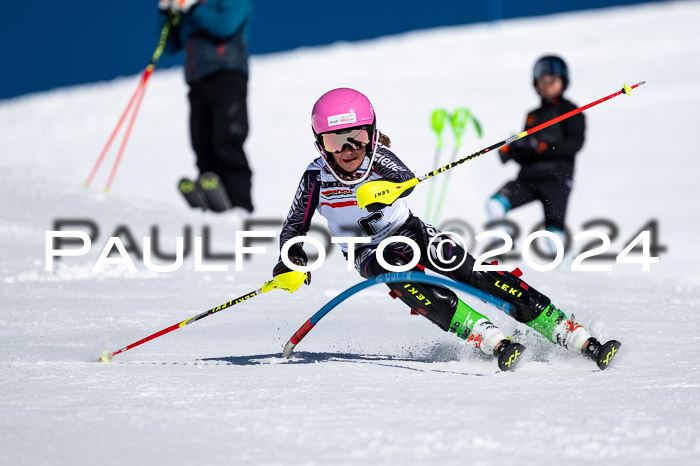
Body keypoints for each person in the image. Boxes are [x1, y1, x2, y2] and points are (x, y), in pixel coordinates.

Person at [273, 88, 619, 371]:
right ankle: (487, 337)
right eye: (335, 142)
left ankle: (565, 330)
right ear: (321, 144)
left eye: (357, 138)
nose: (348, 150)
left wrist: (388, 190)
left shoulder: (377, 158)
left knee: (473, 271)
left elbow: (405, 180)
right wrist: (290, 260)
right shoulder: (316, 177)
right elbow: (294, 225)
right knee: (403, 277)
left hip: (412, 232)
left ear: (372, 134)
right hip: (368, 253)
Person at [158, 0, 254, 214]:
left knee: (228, 140)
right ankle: (210, 195)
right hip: (197, 83)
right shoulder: (193, 8)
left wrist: (193, 8)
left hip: (228, 75)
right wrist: (165, 13)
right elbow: (170, 45)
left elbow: (224, 25)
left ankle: (240, 204)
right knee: (202, 143)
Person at [488, 55, 585, 249]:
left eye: (552, 81)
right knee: (495, 204)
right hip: (528, 178)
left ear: (563, 82)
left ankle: (569, 272)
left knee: (552, 236)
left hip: (556, 179)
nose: (547, 86)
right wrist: (514, 151)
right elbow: (528, 150)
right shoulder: (533, 116)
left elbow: (574, 144)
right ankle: (504, 251)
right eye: (542, 82)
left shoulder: (571, 111)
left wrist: (542, 147)